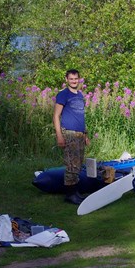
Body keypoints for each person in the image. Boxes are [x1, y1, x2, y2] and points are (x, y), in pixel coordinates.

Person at [53, 69, 90, 204]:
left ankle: (75, 191)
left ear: (79, 79)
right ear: (67, 79)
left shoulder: (80, 95)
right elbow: (56, 116)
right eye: (71, 79)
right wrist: (59, 136)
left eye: (76, 79)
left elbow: (80, 116)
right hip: (69, 133)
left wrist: (85, 135)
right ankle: (69, 194)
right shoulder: (63, 95)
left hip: (80, 134)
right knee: (71, 164)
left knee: (78, 164)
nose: (74, 81)